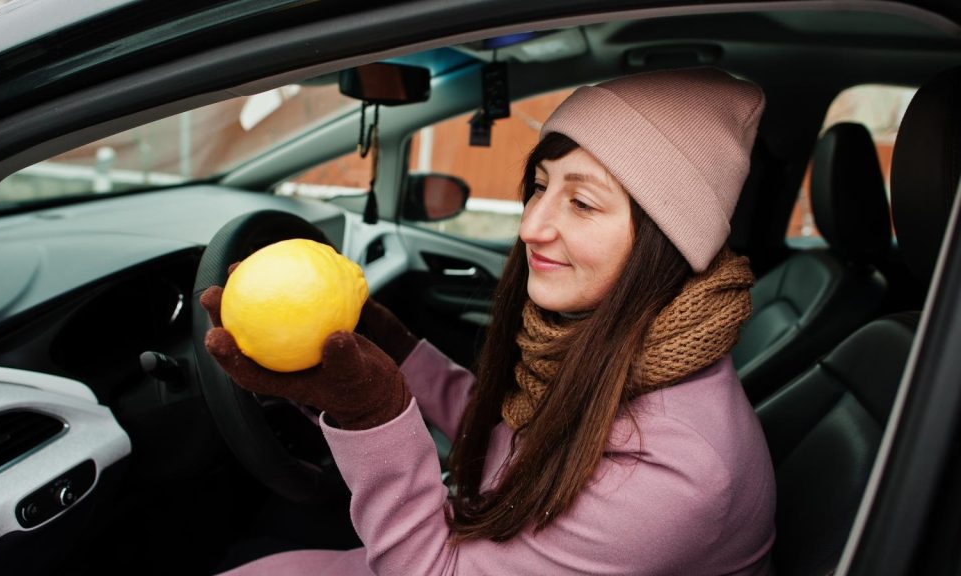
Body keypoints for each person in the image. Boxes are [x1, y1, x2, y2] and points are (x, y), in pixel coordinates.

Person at [201, 66, 776, 575]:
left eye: (582, 203)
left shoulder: (679, 474)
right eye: (541, 188)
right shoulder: (610, 337)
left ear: (666, 242)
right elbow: (509, 438)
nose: (531, 227)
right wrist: (397, 349)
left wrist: (370, 413)